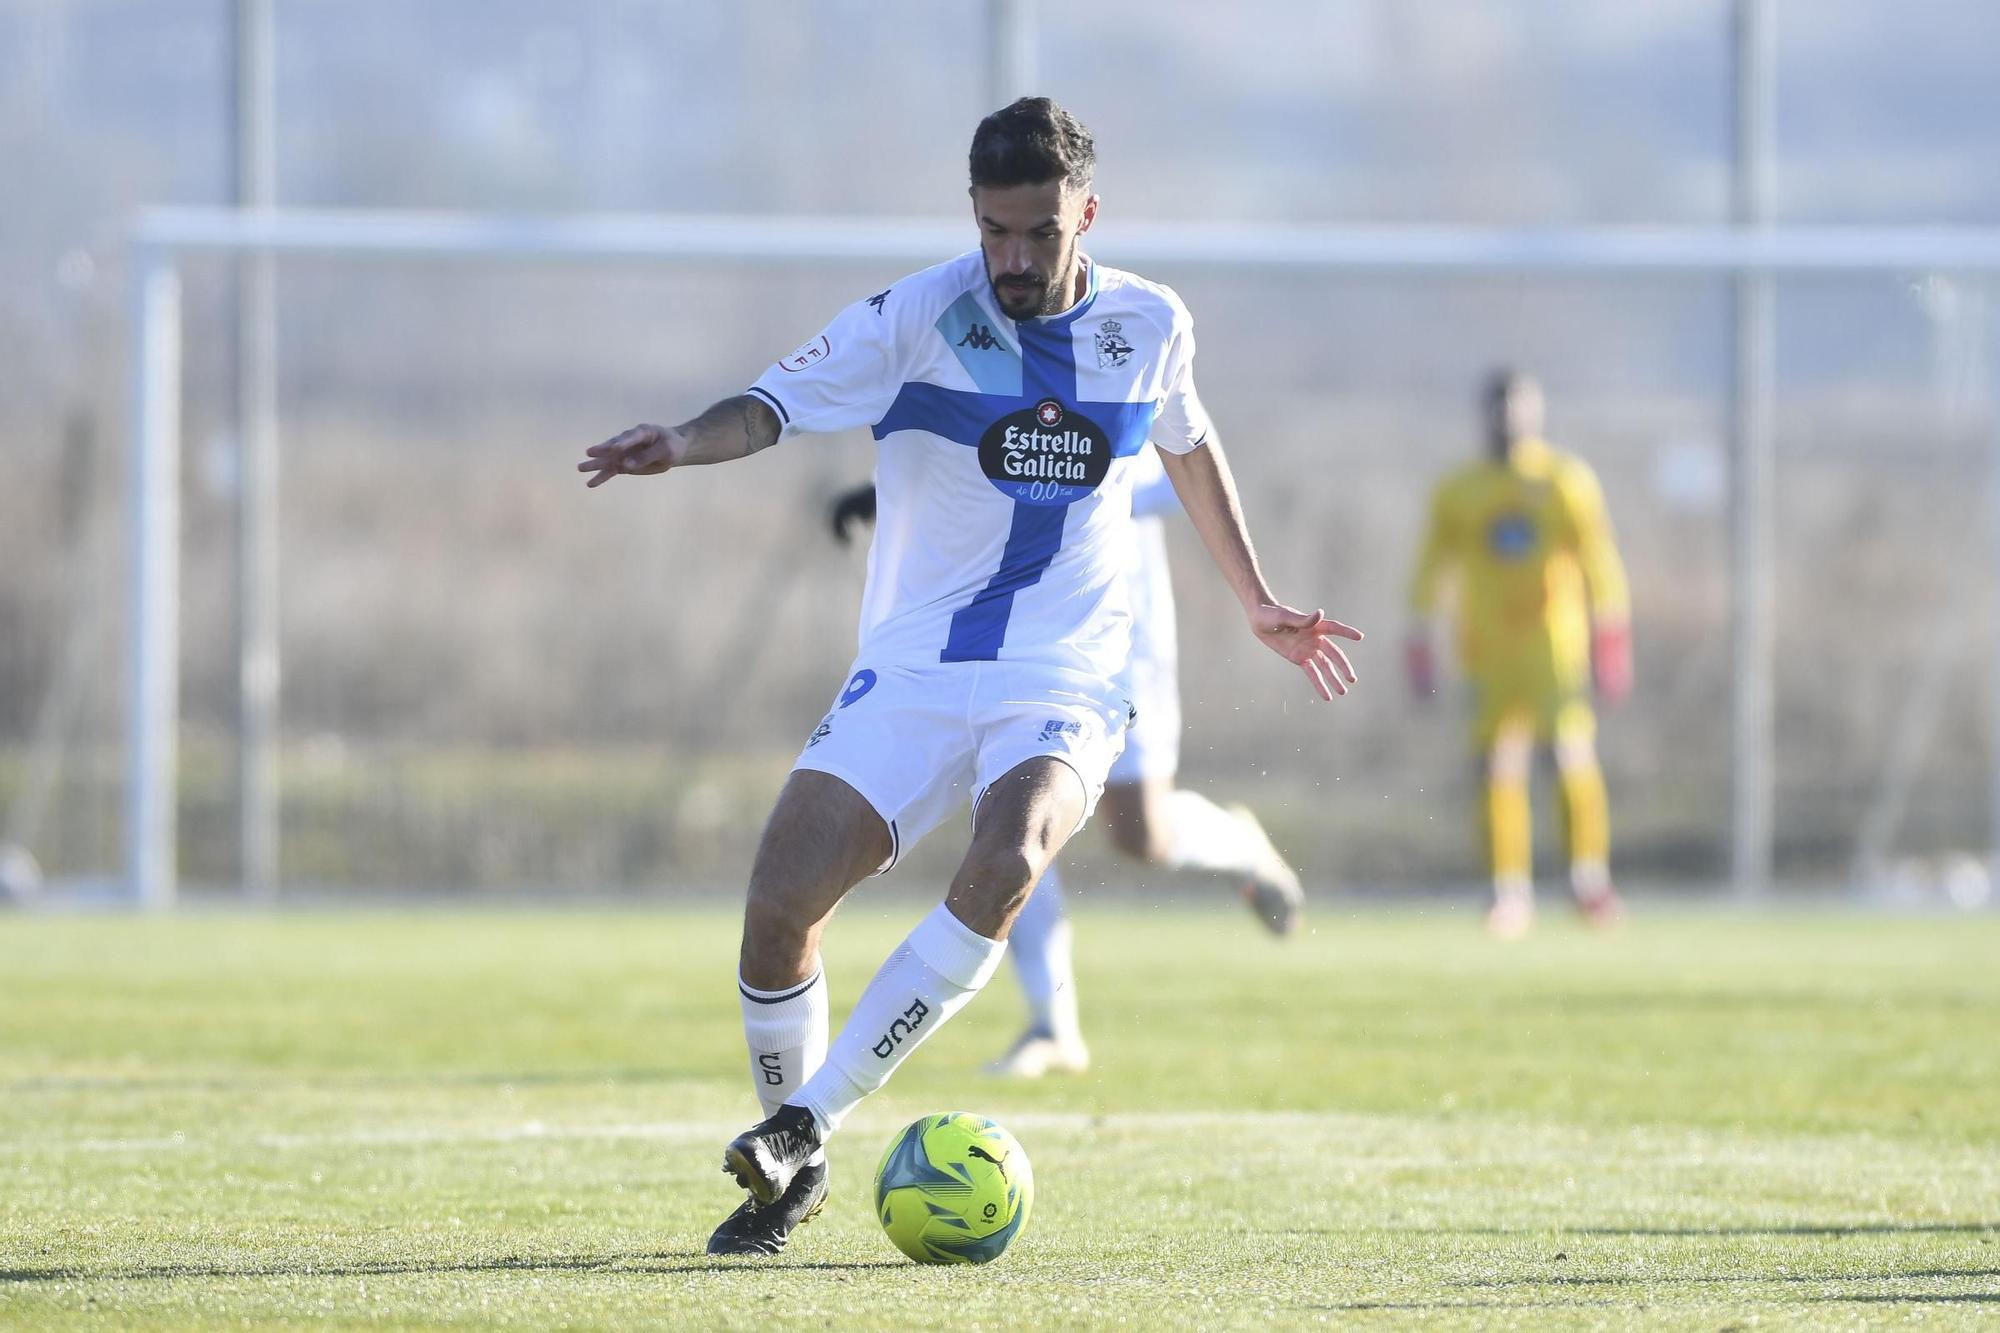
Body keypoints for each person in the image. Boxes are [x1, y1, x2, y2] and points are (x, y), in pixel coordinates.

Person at [580, 97, 1361, 1258]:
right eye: (993, 232)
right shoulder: (918, 314)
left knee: (1006, 858)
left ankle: (801, 1126)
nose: (1011, 259)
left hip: (1066, 669)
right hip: (915, 660)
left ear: (1085, 214)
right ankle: (794, 1171)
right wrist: (681, 443)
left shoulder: (1149, 324)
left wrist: (1251, 596)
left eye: (1037, 234)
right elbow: (772, 405)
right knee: (778, 901)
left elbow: (1188, 445)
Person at [829, 443, 1309, 1083]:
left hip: (1119, 634)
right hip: (1021, 629)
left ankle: (1239, 846)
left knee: (1141, 833)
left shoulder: (1134, 352)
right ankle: (1052, 1027)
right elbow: (984, 446)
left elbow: (1180, 475)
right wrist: (895, 491)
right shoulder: (1005, 352)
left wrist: (1057, 484)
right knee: (1007, 809)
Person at [1404, 369, 1630, 939]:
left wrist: (1611, 642)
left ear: (1537, 412)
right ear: (1484, 415)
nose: (1510, 420)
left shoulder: (1564, 481)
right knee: (1495, 765)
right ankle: (1507, 892)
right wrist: (1418, 641)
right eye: (1499, 409)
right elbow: (1428, 571)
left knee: (1569, 754)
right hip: (1485, 647)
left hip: (1554, 645)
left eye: (1520, 408)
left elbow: (1599, 563)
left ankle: (1588, 882)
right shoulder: (1459, 490)